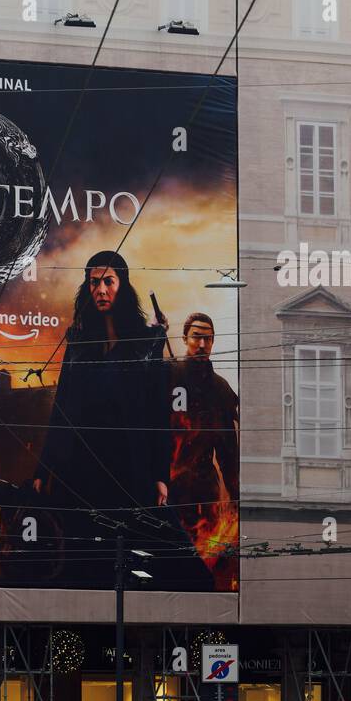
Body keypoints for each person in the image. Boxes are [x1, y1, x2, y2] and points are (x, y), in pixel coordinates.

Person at [29, 250, 213, 590]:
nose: (101, 290)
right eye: (94, 282)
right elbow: (63, 408)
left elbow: (158, 413)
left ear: (122, 286)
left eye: (108, 282)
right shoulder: (79, 343)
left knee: (164, 556)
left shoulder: (146, 341)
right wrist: (44, 468)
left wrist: (160, 475)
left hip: (129, 464)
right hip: (83, 465)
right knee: (84, 556)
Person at [167, 313, 239, 583]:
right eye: (197, 336)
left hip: (203, 490)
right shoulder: (170, 374)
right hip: (171, 487)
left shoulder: (220, 388)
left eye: (208, 338)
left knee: (205, 562)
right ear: (185, 338)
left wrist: (234, 493)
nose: (202, 343)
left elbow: (228, 450)